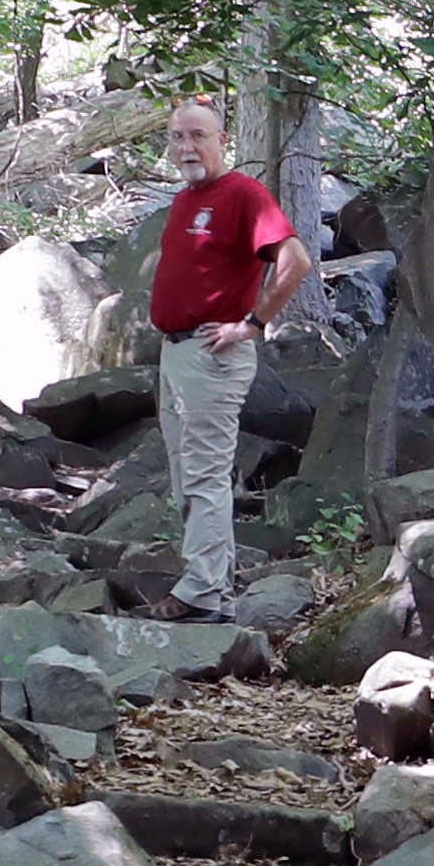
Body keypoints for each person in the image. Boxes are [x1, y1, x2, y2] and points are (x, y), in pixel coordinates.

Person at [145, 93, 307, 615]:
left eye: (198, 135)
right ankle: (209, 579)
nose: (186, 146)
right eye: (177, 136)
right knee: (185, 473)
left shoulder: (242, 194)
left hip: (212, 355)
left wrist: (254, 323)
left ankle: (204, 594)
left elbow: (295, 259)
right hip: (176, 354)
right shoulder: (184, 200)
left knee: (204, 474)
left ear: (221, 141)